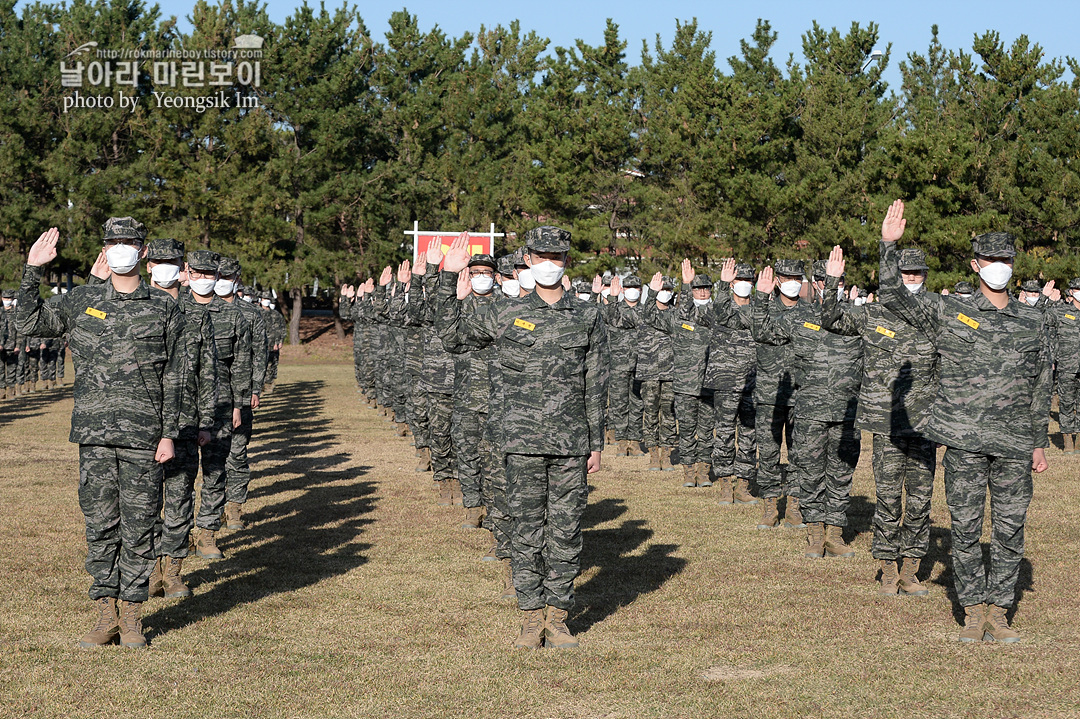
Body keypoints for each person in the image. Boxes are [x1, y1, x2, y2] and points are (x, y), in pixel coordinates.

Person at [877, 199, 1050, 643]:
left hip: (1013, 445)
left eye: (1006, 260)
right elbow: (895, 297)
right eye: (992, 260)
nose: (1000, 267)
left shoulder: (1033, 321)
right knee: (967, 529)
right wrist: (888, 247)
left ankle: (1001, 608)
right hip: (964, 441)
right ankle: (973, 610)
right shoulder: (949, 311)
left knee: (1010, 530)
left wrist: (1037, 442)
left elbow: (1039, 384)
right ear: (976, 265)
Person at [437, 227, 608, 650]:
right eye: (542, 255)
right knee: (527, 530)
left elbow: (596, 381)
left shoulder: (587, 315)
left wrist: (596, 442)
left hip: (570, 443)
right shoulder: (505, 311)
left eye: (558, 256)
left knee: (566, 530)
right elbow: (451, 336)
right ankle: (531, 619)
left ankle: (560, 616)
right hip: (520, 442)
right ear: (528, 259)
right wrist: (444, 280)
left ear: (567, 261)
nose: (550, 262)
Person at [17, 220, 183, 649]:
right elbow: (29, 323)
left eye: (129, 242)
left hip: (145, 436)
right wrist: (32, 269)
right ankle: (105, 614)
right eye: (113, 242)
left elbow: (175, 378)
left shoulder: (164, 308)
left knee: (140, 524)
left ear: (142, 251)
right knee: (100, 525)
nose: (121, 248)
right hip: (93, 435)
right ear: (104, 249)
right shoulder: (82, 300)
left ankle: (132, 618)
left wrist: (168, 435)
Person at [821, 245, 938, 594]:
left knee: (920, 500)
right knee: (888, 499)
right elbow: (830, 319)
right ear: (894, 277)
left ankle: (911, 568)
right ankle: (887, 566)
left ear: (926, 275)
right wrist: (831, 281)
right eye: (905, 272)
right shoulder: (874, 314)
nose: (912, 277)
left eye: (917, 271)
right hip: (886, 424)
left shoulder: (936, 313)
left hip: (923, 422)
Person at [753, 259, 863, 556]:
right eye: (826, 282)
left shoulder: (857, 317)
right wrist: (762, 297)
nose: (831, 288)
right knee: (811, 472)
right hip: (811, 411)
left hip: (846, 412)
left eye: (837, 282)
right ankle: (815, 534)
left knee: (841, 473)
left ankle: (835, 533)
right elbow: (763, 332)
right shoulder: (799, 318)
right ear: (815, 284)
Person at [185, 251, 252, 560]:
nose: (203, 279)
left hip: (222, 402)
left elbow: (240, 364)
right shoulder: (174, 309)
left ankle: (208, 534)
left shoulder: (232, 315)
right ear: (186, 272)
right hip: (182, 401)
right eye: (196, 272)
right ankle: (180, 533)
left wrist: (239, 404)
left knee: (214, 471)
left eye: (208, 273)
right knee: (180, 476)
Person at [689, 259, 760, 506]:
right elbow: (703, 313)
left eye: (748, 281)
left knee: (750, 433)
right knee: (726, 432)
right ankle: (725, 484)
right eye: (739, 280)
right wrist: (720, 284)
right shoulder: (720, 307)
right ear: (731, 284)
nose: (744, 285)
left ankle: (743, 483)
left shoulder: (760, 308)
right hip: (726, 380)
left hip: (753, 380)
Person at [644, 264, 714, 487]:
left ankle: (703, 472)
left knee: (706, 431)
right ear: (689, 292)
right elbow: (650, 315)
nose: (702, 292)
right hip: (684, 384)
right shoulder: (677, 318)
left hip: (709, 383)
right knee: (686, 430)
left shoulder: (717, 315)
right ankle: (688, 470)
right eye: (697, 288)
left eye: (706, 289)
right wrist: (653, 294)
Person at [218, 258, 265, 531]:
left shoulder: (250, 314)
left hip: (241, 394)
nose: (223, 279)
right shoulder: (200, 310)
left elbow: (259, 354)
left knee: (236, 453)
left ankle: (234, 508)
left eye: (228, 275)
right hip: (206, 397)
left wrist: (254, 389)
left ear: (237, 278)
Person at [1049, 277, 1080, 453]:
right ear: (1072, 292)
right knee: (1067, 403)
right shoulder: (1060, 312)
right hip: (1067, 365)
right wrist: (1045, 299)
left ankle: (1079, 441)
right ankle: (1068, 439)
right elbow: (1040, 317)